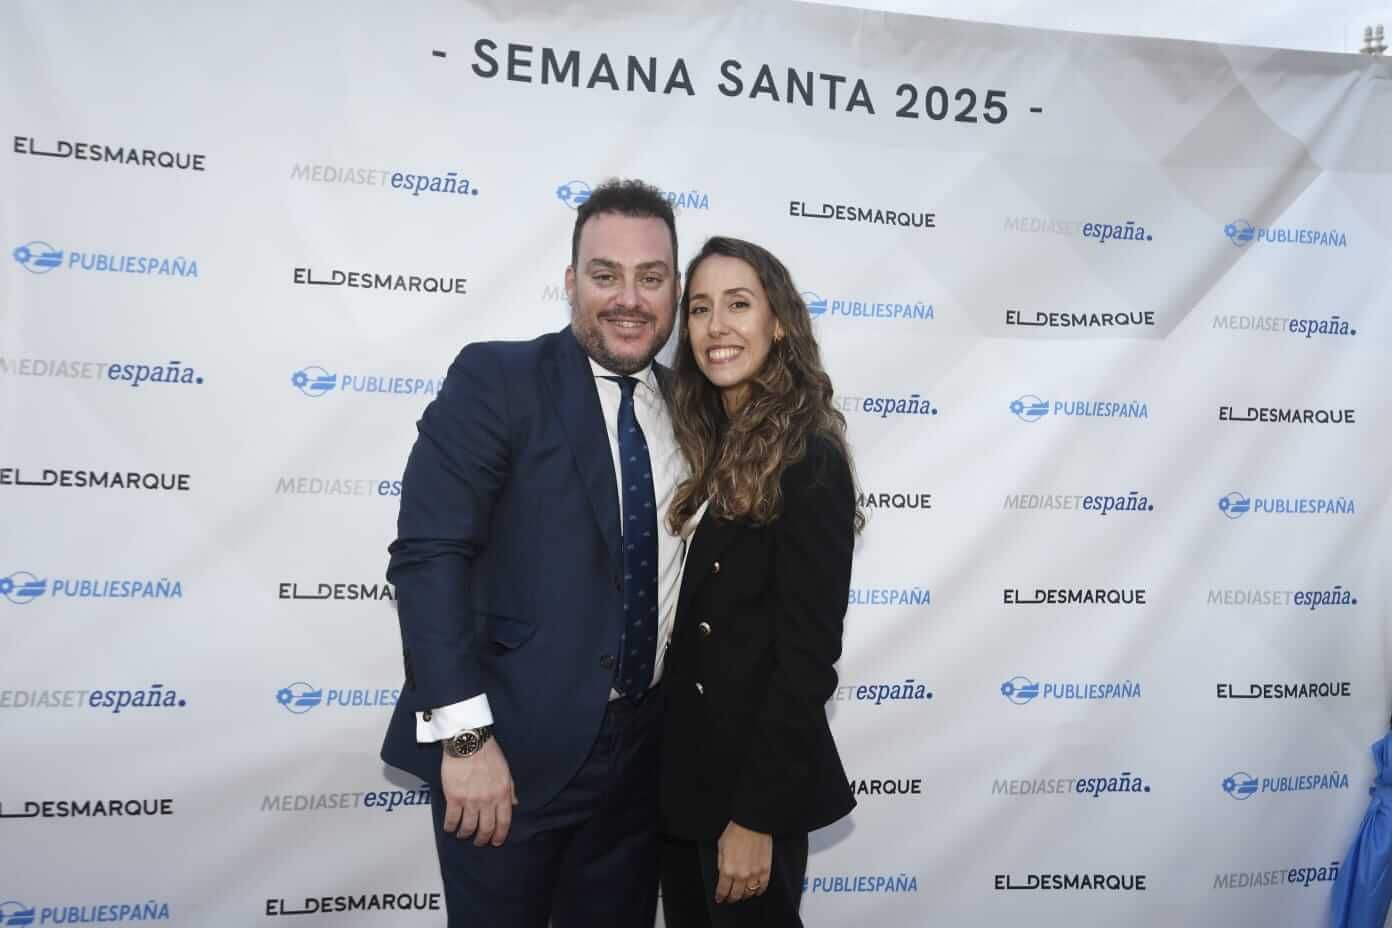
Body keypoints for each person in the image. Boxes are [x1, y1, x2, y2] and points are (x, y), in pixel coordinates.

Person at [380, 179, 686, 927]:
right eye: (605, 274)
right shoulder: (499, 379)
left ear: (675, 290)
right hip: (505, 762)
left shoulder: (694, 407)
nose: (629, 298)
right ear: (570, 282)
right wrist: (466, 738)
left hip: (643, 769)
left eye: (651, 278)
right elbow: (429, 558)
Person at [658, 236, 861, 927]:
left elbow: (807, 663)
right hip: (684, 784)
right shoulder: (708, 445)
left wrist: (756, 819)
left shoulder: (811, 460)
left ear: (779, 322)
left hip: (747, 795)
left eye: (739, 305)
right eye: (700, 309)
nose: (717, 327)